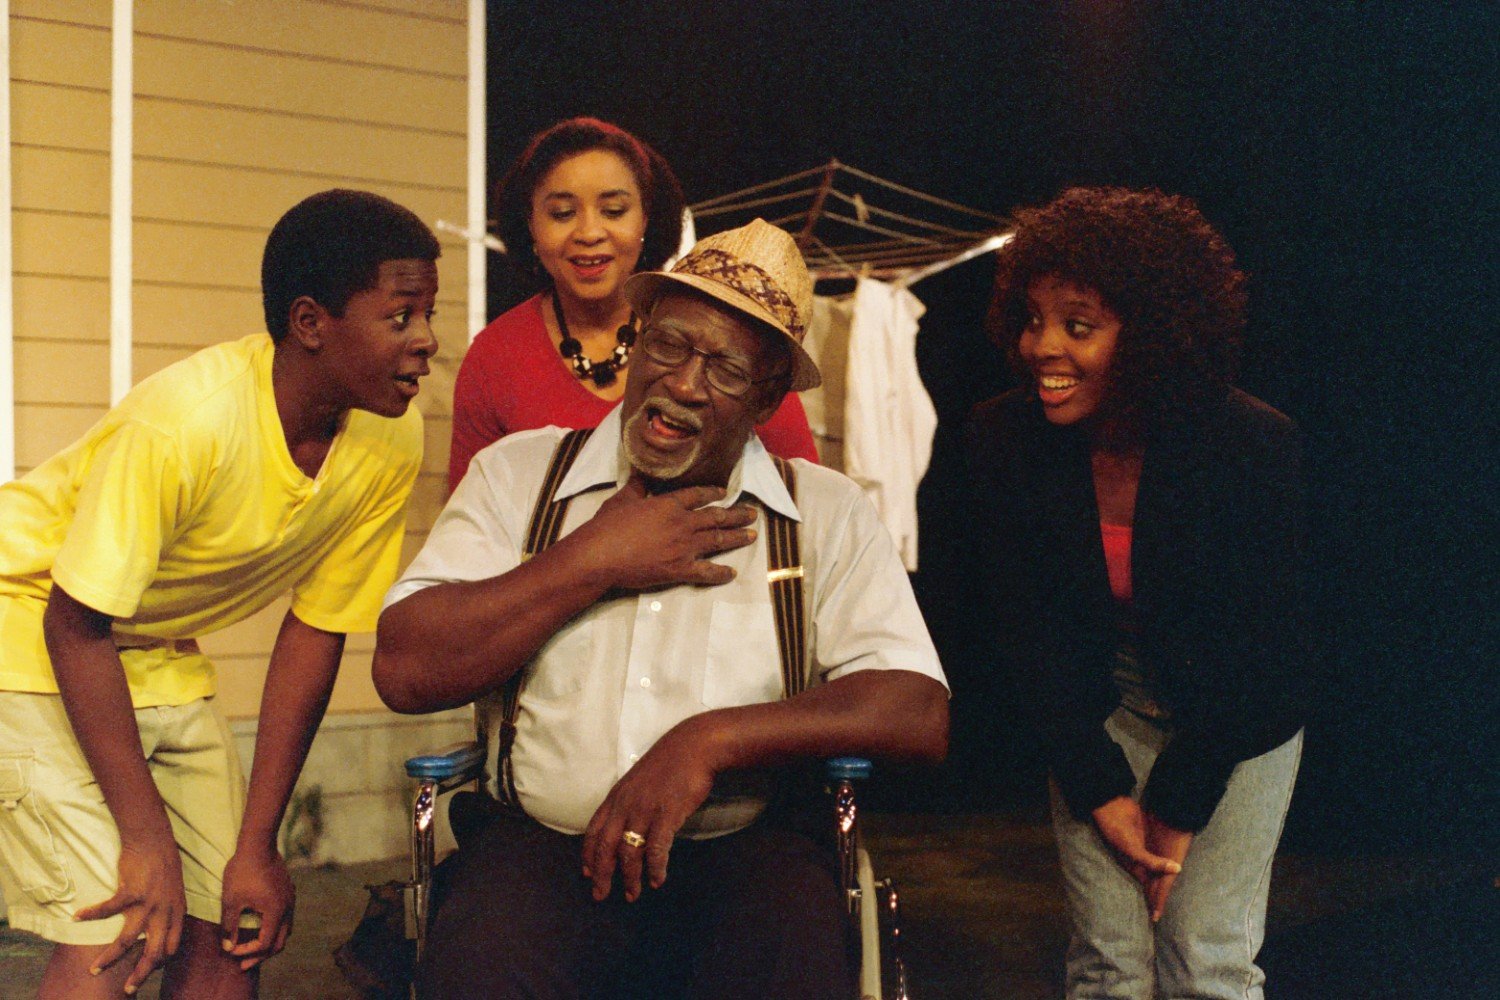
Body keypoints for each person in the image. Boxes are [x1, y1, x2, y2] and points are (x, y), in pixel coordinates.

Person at [375, 218, 949, 999]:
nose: (681, 383)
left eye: (724, 369)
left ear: (769, 396)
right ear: (637, 343)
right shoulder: (518, 476)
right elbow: (404, 668)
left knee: (794, 942)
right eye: (668, 346)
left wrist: (706, 742)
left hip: (744, 856)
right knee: (480, 962)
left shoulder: (826, 513)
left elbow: (916, 710)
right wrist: (593, 559)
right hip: (542, 853)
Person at [0, 189, 440, 999]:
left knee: (232, 924)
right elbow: (75, 623)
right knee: (126, 917)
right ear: (311, 323)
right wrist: (146, 839)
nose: (427, 342)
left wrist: (257, 847)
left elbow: (316, 628)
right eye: (401, 316)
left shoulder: (389, 433)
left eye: (428, 315)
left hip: (150, 646)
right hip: (27, 625)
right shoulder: (184, 424)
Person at [966, 187, 1307, 999]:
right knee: (1110, 965)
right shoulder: (1002, 438)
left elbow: (1268, 655)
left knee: (1207, 961)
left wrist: (1180, 801)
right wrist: (1101, 789)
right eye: (1033, 319)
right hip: (1101, 701)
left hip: (1237, 712)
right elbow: (1028, 637)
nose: (1043, 346)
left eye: (1078, 326)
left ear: (1151, 335)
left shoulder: (1249, 444)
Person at [448, 116, 818, 490]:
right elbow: (472, 524)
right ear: (529, 224)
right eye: (562, 213)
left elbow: (804, 498)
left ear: (646, 219)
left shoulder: (725, 332)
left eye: (614, 211)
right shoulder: (494, 357)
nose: (589, 233)